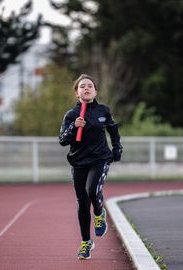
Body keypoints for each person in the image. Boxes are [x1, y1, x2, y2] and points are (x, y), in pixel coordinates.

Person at [59, 74, 123, 260]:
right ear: (76, 93)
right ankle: (86, 242)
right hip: (79, 162)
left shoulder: (103, 110)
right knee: (81, 204)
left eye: (89, 86)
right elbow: (62, 140)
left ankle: (99, 212)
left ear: (95, 91)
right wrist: (73, 127)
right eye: (82, 86)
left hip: (100, 158)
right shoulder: (71, 115)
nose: (86, 88)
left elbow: (113, 129)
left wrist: (117, 148)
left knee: (92, 191)